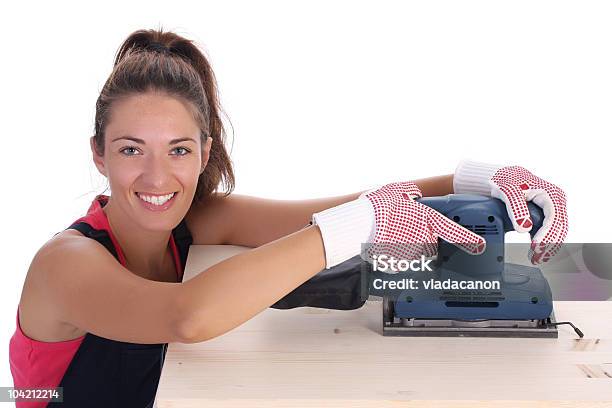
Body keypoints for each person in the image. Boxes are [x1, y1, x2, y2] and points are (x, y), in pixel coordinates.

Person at [8, 28, 568, 408]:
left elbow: (335, 212)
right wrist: (360, 226)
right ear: (98, 153)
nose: (157, 178)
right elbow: (185, 316)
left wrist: (467, 184)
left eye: (178, 150)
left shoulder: (197, 222)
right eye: (131, 150)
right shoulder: (66, 264)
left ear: (204, 153)